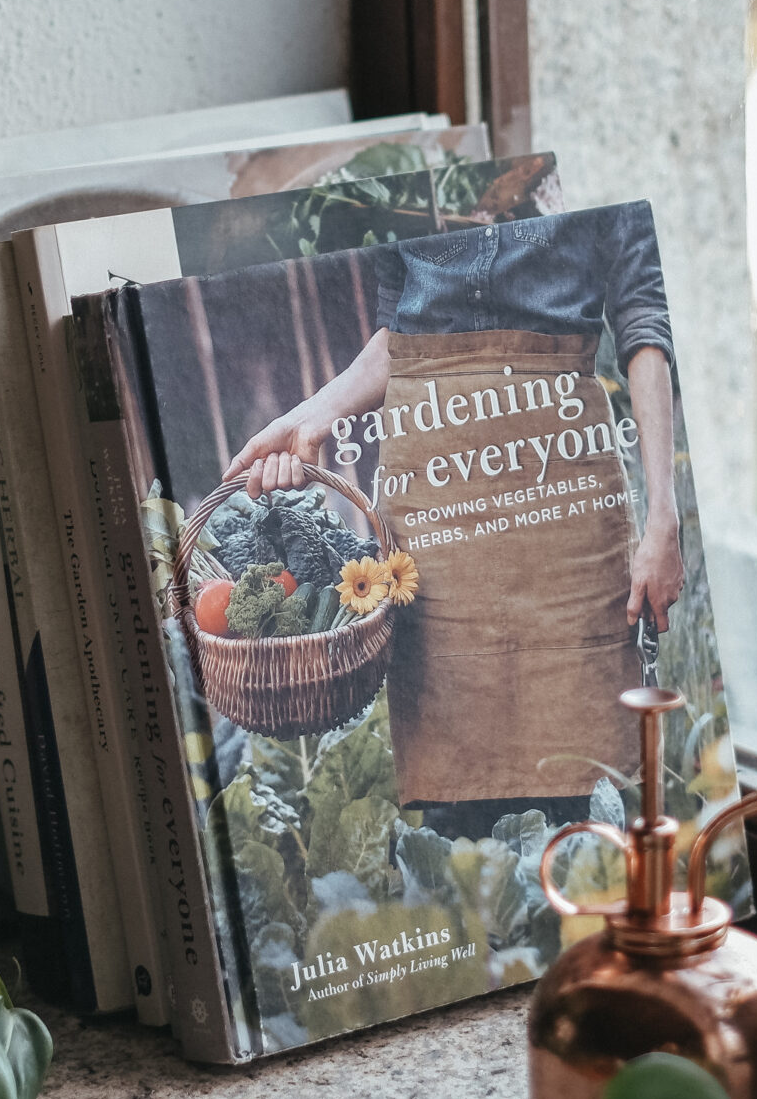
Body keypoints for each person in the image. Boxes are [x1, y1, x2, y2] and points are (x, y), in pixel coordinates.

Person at [224, 203, 682, 831]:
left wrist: (664, 519)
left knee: (579, 784)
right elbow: (400, 342)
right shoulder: (412, 187)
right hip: (434, 497)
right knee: (451, 797)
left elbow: (643, 321)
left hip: (559, 482)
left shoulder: (565, 178)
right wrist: (311, 416)